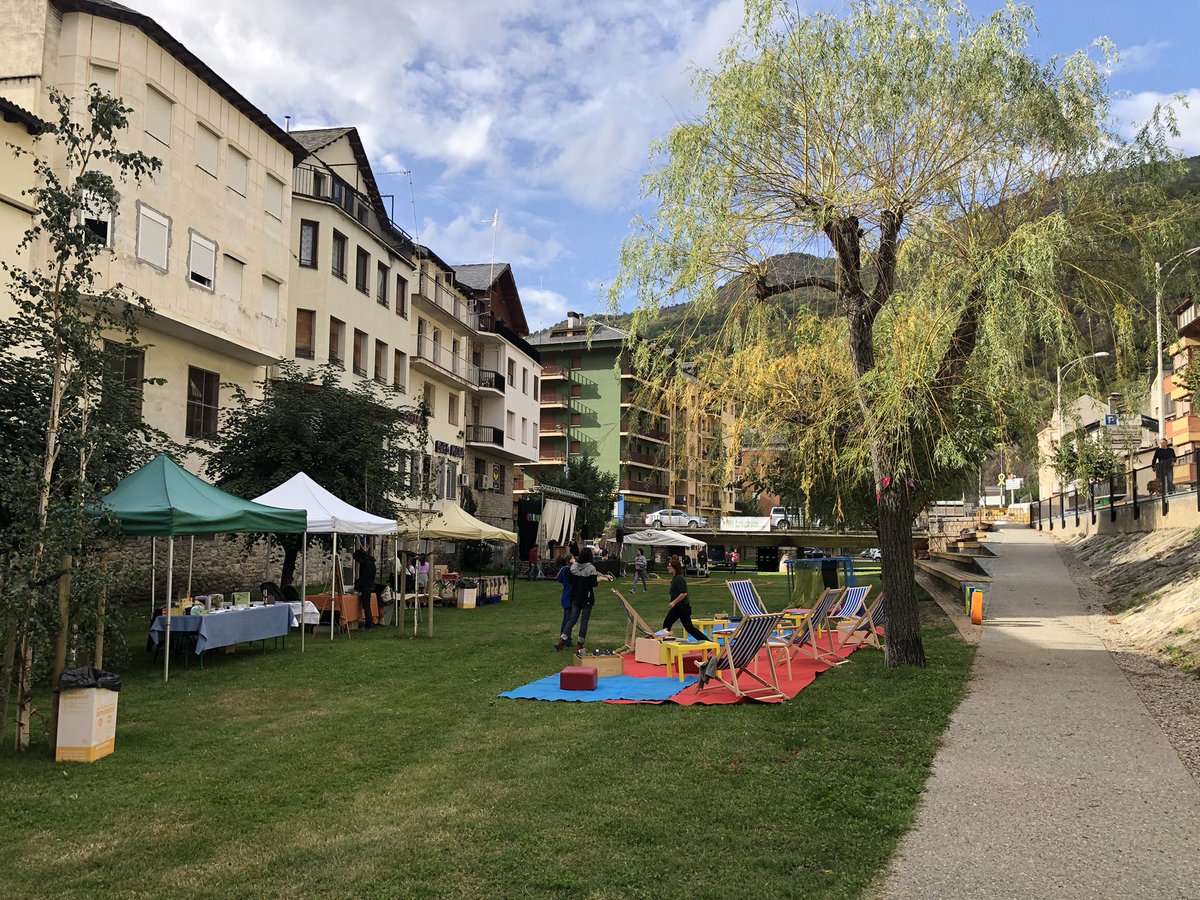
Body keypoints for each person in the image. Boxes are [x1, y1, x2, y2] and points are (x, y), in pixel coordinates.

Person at [556, 548, 598, 653]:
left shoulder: (574, 567)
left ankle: (562, 640)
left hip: (575, 596)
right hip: (587, 597)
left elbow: (570, 580)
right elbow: (593, 583)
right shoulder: (591, 568)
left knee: (571, 620)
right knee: (584, 621)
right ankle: (580, 644)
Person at [662, 557, 708, 643]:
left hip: (682, 607)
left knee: (689, 628)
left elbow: (684, 593)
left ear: (675, 568)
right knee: (667, 624)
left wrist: (673, 602)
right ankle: (665, 643)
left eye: (670, 566)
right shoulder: (675, 578)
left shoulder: (679, 578)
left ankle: (707, 642)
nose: (668, 568)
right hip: (677, 607)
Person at [352, 548, 376, 629]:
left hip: (366, 586)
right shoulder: (370, 563)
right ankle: (368, 623)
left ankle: (369, 624)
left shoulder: (366, 564)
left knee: (366, 606)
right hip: (368, 585)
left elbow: (364, 577)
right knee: (366, 605)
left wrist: (357, 586)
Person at [554, 554, 574, 650]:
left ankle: (567, 638)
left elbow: (558, 579)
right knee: (568, 620)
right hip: (569, 597)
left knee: (567, 619)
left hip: (565, 596)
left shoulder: (563, 570)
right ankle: (565, 639)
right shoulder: (569, 570)